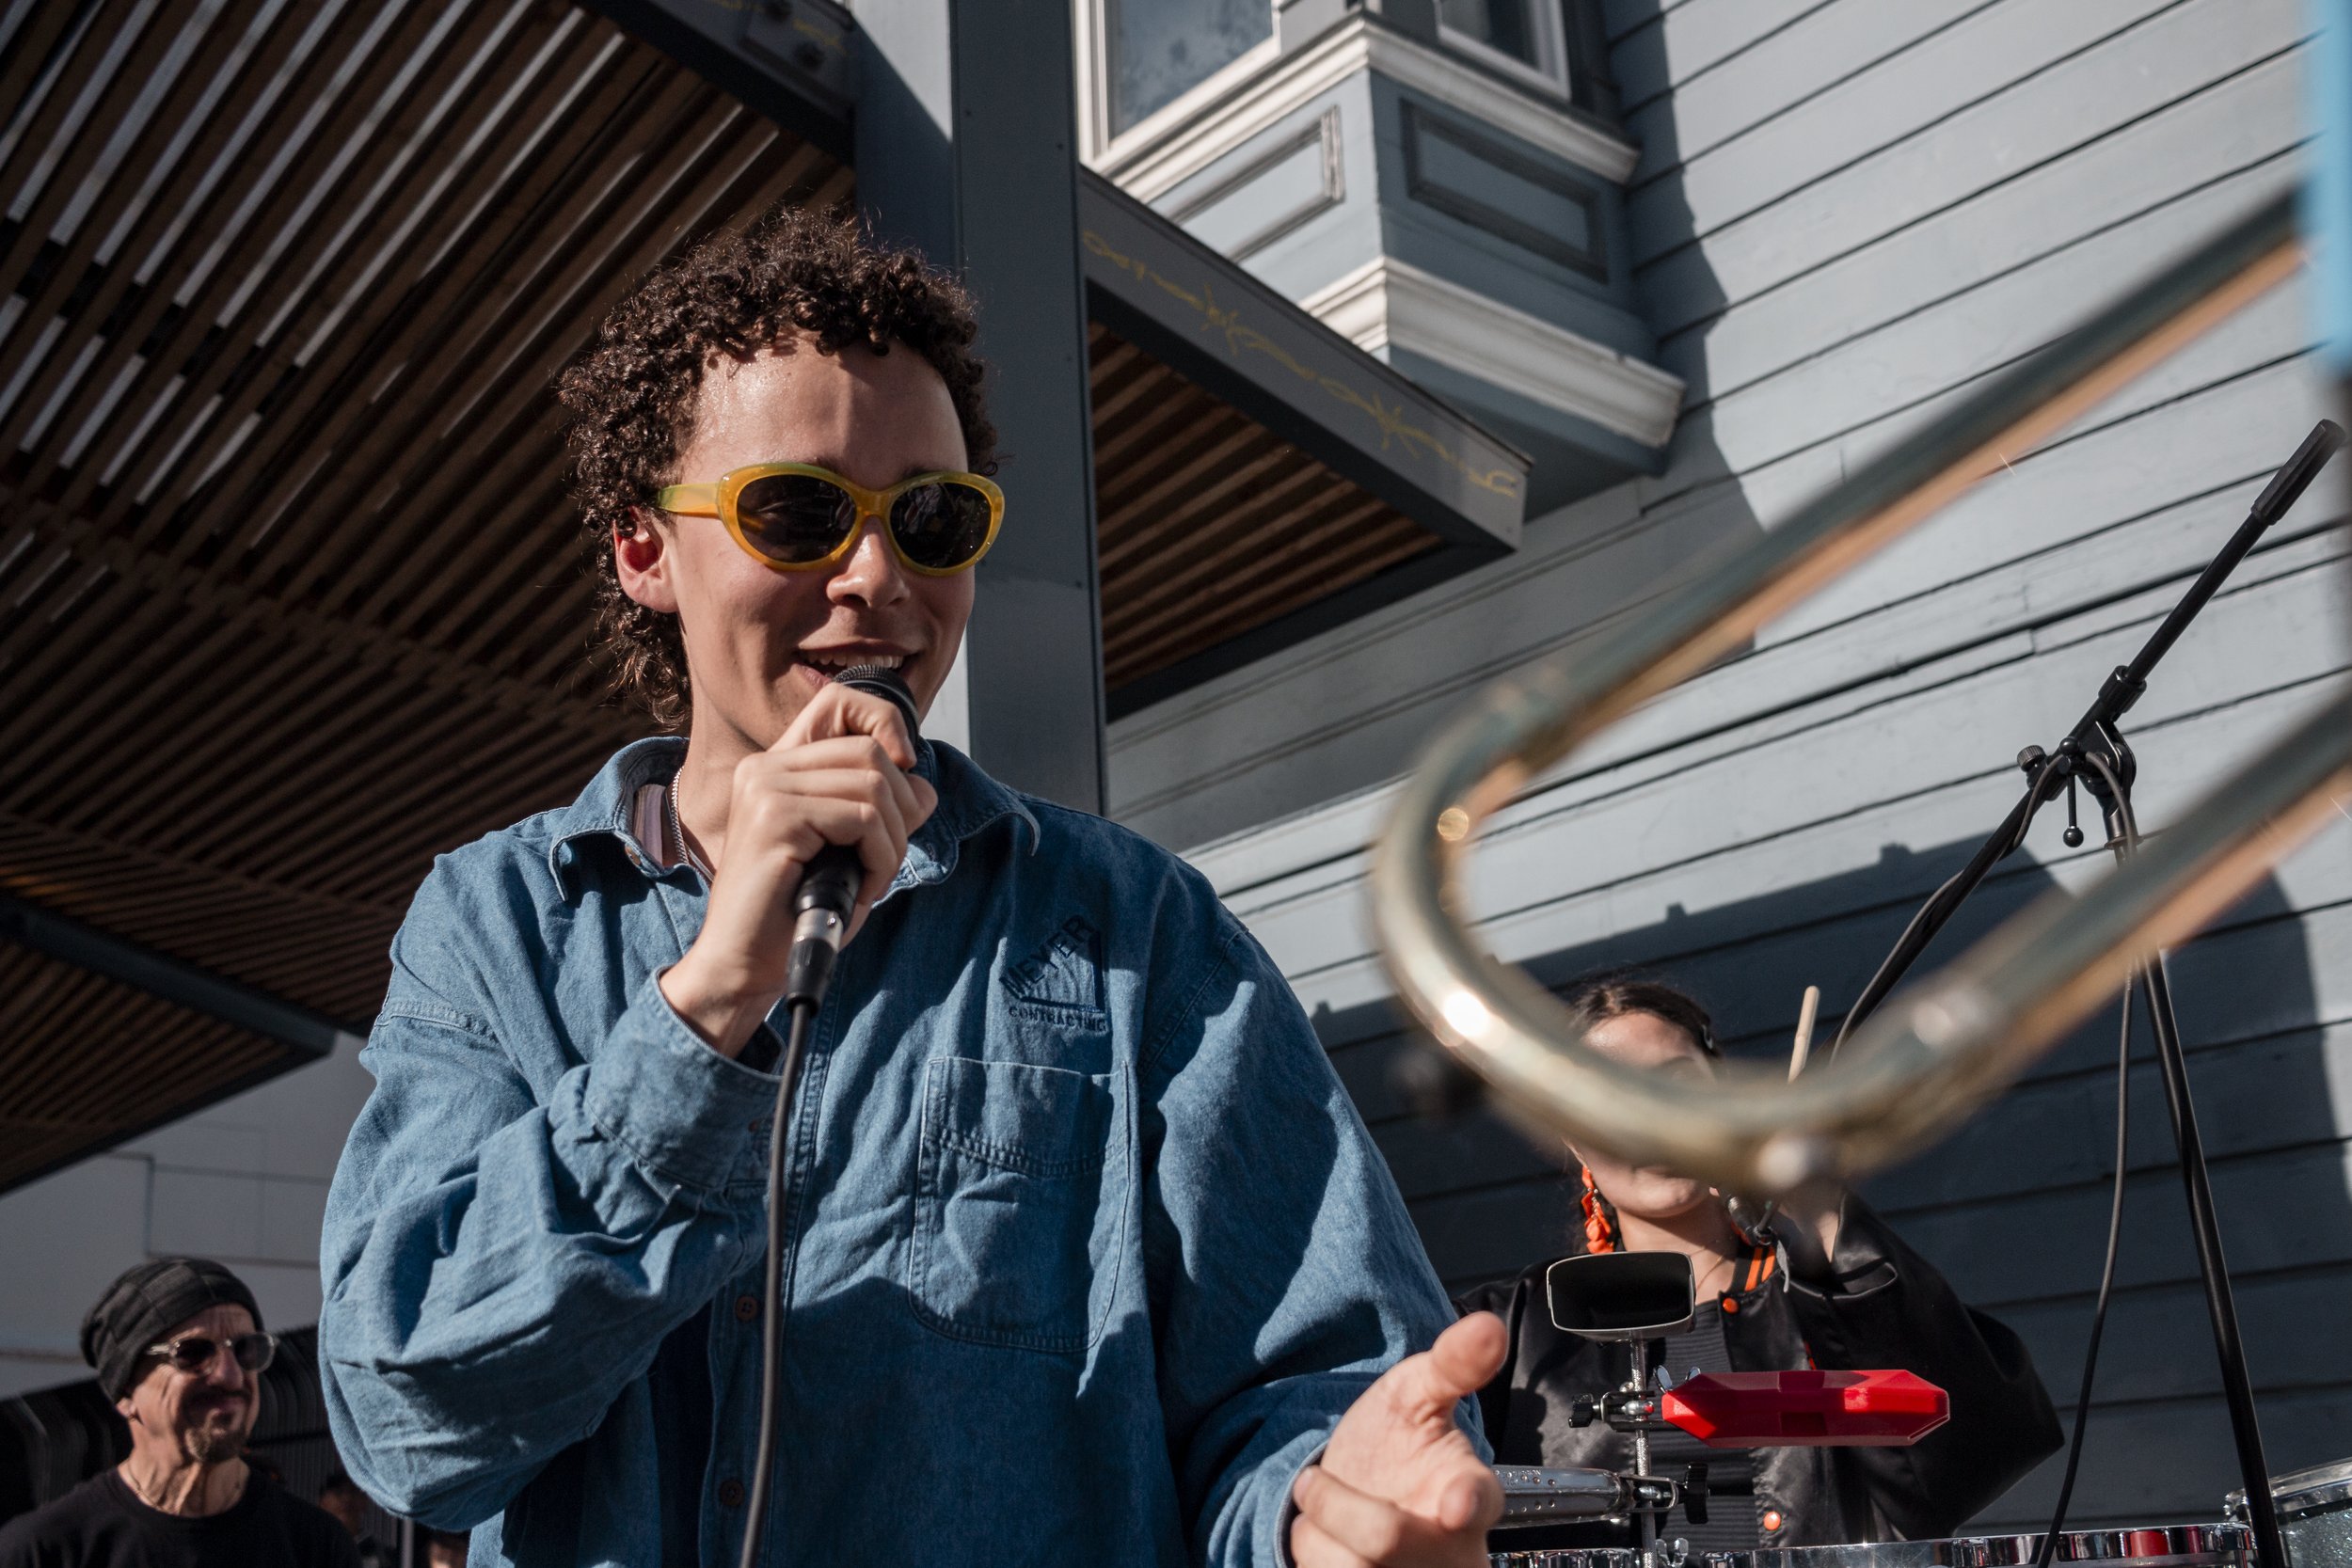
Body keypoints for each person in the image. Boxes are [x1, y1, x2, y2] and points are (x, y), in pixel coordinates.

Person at [316, 206, 1503, 1568]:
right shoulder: (497, 924)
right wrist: (708, 1006)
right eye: (799, 510)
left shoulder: (1134, 927)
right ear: (644, 549)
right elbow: (408, 1418)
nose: (878, 575)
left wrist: (1322, 1517)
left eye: (933, 519)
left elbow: (1305, 1390)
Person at [1457, 978, 2062, 1555]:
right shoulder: (1508, 1329)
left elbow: (1972, 1453)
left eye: (1677, 1084)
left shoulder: (1836, 1294)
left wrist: (1821, 1214)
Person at [0, 1259, 361, 1568]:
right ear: (125, 1391)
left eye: (246, 1349)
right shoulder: (42, 1551)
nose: (229, 1374)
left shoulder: (316, 1548)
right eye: (193, 1352)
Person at [315, 1472, 388, 1567]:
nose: (347, 1499)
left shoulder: (384, 1557)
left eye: (353, 1492)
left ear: (365, 1501)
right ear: (322, 1502)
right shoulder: (307, 1549)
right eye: (338, 1492)